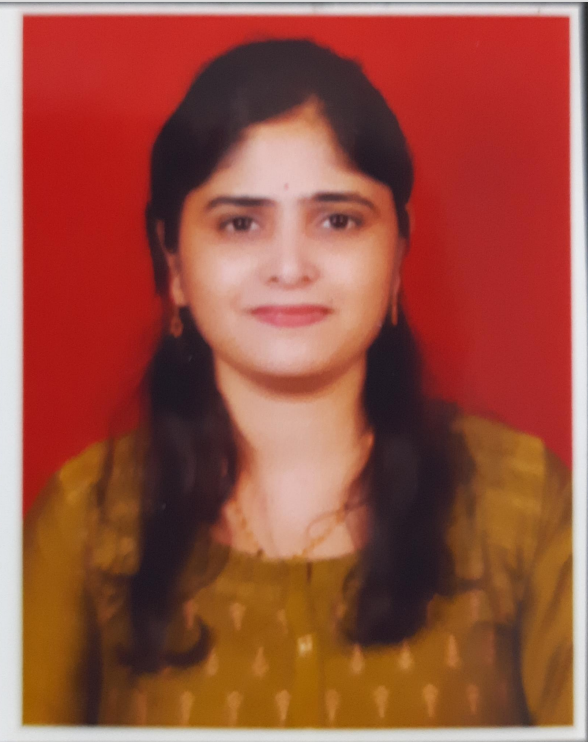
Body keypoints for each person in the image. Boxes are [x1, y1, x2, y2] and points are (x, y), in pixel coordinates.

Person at [22, 38, 573, 728]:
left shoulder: (522, 502)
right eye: (240, 223)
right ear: (175, 263)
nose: (289, 267)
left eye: (337, 220)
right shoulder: (85, 520)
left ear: (398, 254)